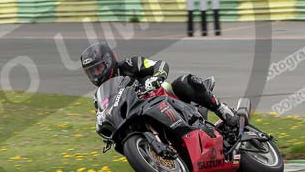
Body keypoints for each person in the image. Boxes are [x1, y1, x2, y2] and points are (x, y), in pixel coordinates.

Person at [79, 42, 240, 136]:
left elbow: (159, 65)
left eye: (98, 68)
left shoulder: (129, 65)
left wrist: (156, 77)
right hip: (139, 115)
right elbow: (102, 114)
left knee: (184, 82)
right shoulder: (100, 95)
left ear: (108, 61)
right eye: (92, 72)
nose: (96, 74)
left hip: (164, 98)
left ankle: (221, 109)